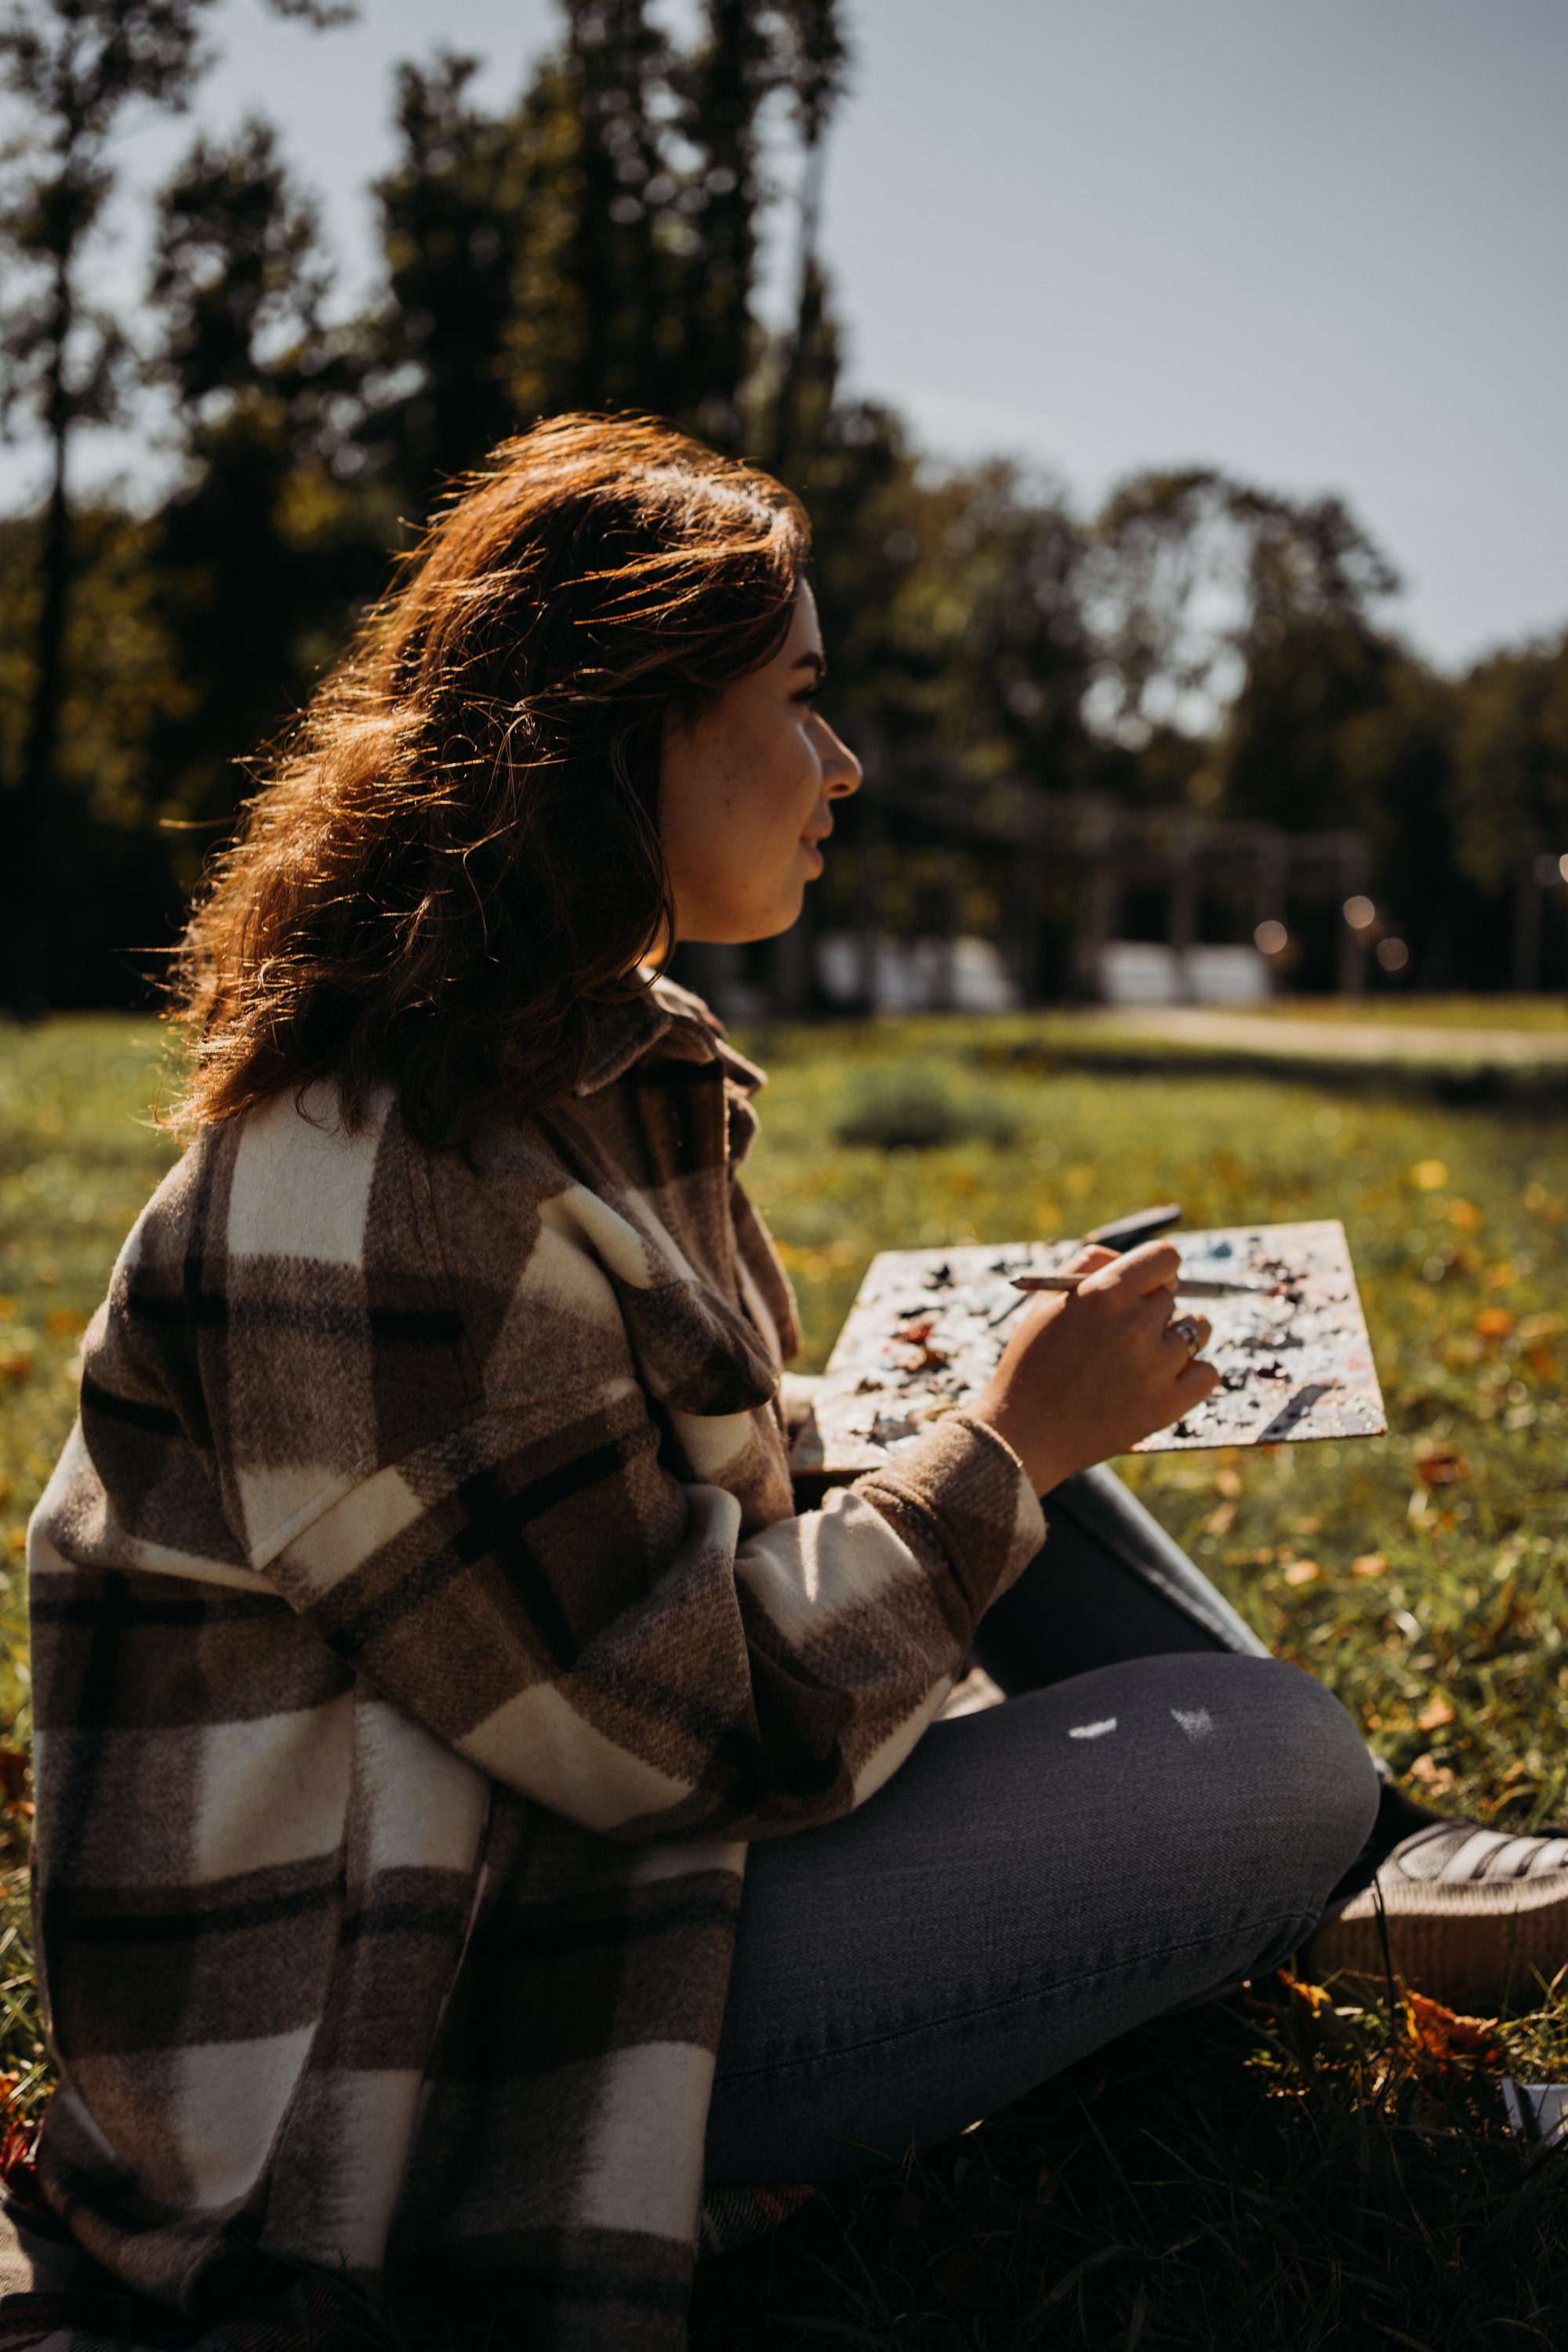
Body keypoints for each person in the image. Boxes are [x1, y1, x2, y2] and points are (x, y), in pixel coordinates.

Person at [20, 417, 1568, 2352]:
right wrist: (999, 1439)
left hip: (549, 1866)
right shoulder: (381, 1192)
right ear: (619, 737)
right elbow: (677, 1736)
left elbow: (624, 1506)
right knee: (1268, 1752)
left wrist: (969, 1410)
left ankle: (1370, 1876)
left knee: (1013, 1457)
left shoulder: (561, 1059)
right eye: (799, 701)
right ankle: (1347, 1865)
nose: (840, 765)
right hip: (420, 2057)